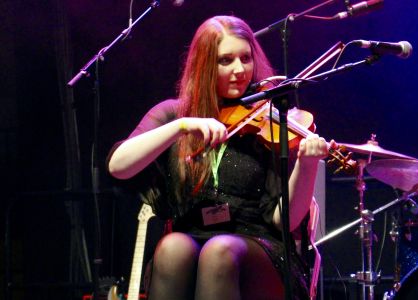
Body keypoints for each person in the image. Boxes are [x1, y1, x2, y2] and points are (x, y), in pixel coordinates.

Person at [107, 15, 328, 300]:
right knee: (172, 247)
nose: (240, 70)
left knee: (219, 251)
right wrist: (182, 126)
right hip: (191, 239)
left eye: (245, 58)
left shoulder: (269, 117)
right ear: (205, 65)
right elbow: (118, 167)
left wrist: (307, 166)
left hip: (256, 248)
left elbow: (283, 219)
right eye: (226, 61)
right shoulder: (174, 114)